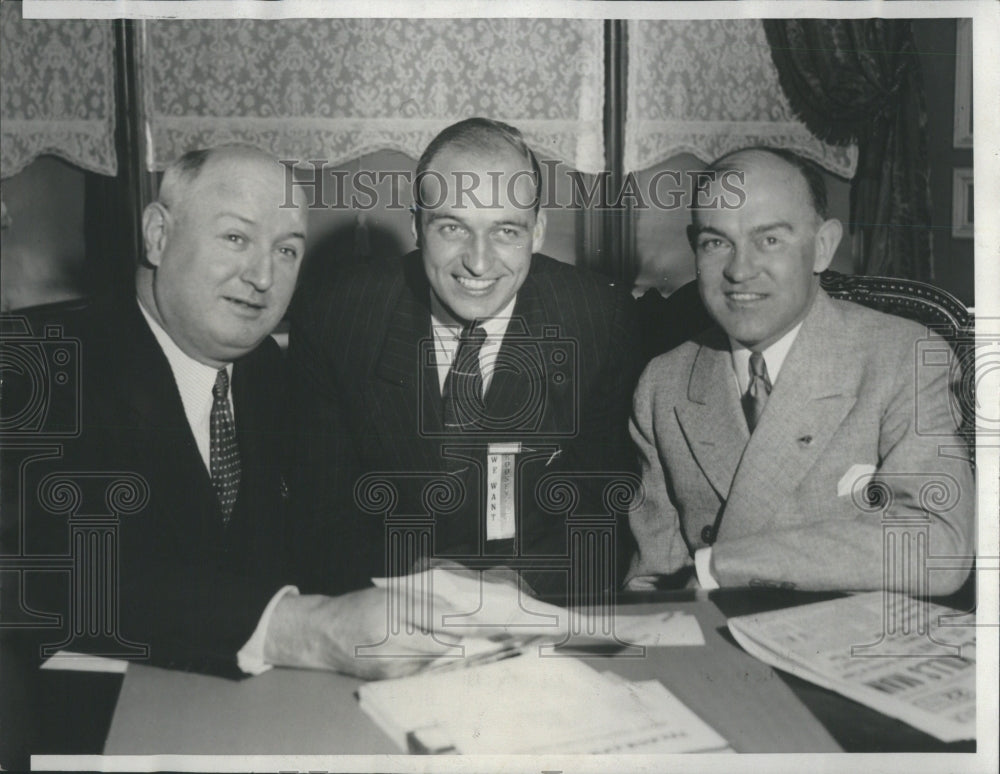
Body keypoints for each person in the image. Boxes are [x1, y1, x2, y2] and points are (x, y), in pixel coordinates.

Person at [3, 145, 475, 684]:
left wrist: (411, 577)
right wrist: (299, 627)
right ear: (158, 235)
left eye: (287, 251)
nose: (262, 277)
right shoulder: (41, 369)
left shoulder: (264, 370)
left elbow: (307, 535)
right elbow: (60, 579)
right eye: (235, 238)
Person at [289, 118, 641, 600]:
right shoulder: (339, 317)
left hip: (537, 610)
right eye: (453, 227)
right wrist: (413, 575)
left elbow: (608, 515)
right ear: (416, 225)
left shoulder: (598, 317)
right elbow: (317, 522)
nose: (478, 262)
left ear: (537, 233)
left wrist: (520, 581)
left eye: (505, 232)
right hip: (387, 606)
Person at [626, 147, 974, 593]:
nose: (739, 269)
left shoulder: (903, 358)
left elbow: (937, 547)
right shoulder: (664, 384)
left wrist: (725, 565)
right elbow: (653, 582)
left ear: (822, 248)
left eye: (769, 240)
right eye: (717, 242)